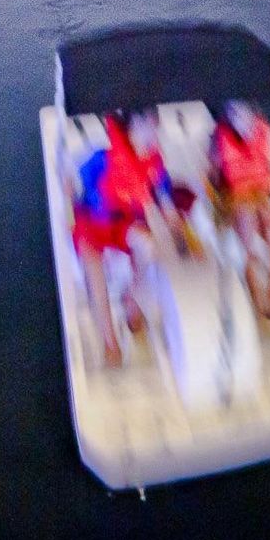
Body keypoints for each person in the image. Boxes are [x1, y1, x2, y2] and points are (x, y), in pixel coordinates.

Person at [71, 110, 190, 367]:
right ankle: (109, 339)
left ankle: (132, 300)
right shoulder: (102, 158)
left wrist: (170, 217)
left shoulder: (154, 164)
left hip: (125, 223)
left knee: (148, 246)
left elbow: (163, 196)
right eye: (149, 128)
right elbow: (79, 186)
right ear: (133, 128)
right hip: (94, 222)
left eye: (155, 128)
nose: (154, 134)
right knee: (92, 260)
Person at [208, 100, 270, 319]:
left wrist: (267, 196)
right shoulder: (220, 138)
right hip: (236, 194)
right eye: (233, 113)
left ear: (253, 113)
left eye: (242, 113)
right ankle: (255, 290)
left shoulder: (267, 135)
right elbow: (213, 175)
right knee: (246, 218)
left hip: (263, 191)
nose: (238, 119)